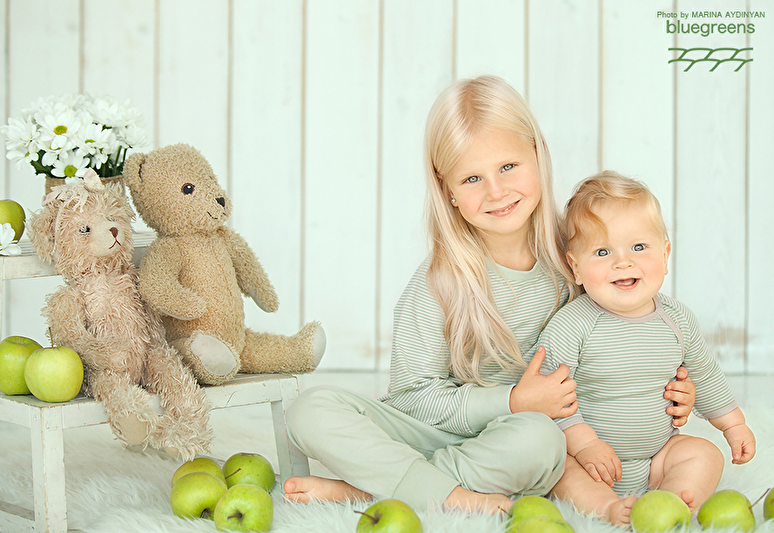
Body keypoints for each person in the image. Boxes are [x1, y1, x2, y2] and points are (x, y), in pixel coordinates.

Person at [283, 76, 695, 514]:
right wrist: (511, 400)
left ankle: (372, 489)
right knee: (309, 410)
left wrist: (666, 388)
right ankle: (435, 489)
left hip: (519, 439)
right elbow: (410, 400)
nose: (496, 192)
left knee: (540, 440)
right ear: (448, 189)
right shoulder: (440, 282)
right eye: (472, 178)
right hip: (436, 431)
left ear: (537, 153)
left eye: (508, 166)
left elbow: (623, 330)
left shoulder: (581, 257)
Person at [544, 171, 756, 526]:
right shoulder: (572, 324)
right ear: (576, 267)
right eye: (602, 251)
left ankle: (667, 501)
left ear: (665, 254)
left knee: (704, 453)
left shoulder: (677, 319)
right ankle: (608, 508)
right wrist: (584, 445)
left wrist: (733, 425)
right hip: (588, 459)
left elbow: (705, 376)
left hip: (659, 454)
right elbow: (550, 399)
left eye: (639, 247)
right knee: (558, 470)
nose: (623, 262)